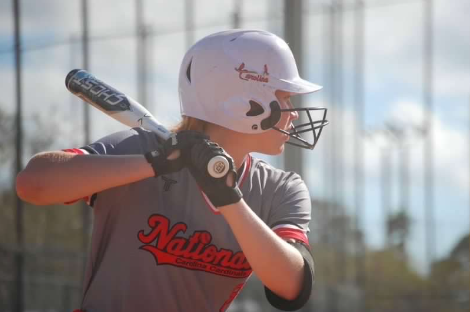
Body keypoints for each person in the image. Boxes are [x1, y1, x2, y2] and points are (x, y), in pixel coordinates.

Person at [16, 29, 328, 312]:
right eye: (285, 98)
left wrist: (227, 197)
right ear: (245, 103)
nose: (294, 116)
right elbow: (33, 184)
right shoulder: (144, 148)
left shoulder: (280, 188)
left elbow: (292, 287)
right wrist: (156, 162)